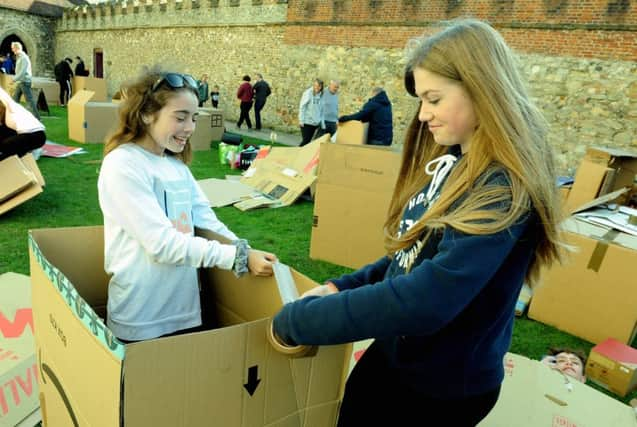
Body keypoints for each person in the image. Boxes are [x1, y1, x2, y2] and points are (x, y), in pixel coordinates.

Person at [272, 19, 562, 426]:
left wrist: (298, 322)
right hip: (402, 357)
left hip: (440, 387)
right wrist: (343, 285)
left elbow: (426, 300)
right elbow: (411, 255)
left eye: (434, 99)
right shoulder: (458, 162)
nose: (423, 114)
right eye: (421, 100)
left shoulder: (501, 190)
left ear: (482, 90)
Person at [97, 68, 277, 342]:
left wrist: (246, 250)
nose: (190, 128)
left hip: (185, 311)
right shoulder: (123, 164)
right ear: (146, 114)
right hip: (140, 317)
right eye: (180, 118)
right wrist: (237, 257)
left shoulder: (176, 166)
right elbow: (161, 244)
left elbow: (207, 222)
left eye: (193, 118)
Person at [0, 87, 46, 161]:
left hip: (36, 136)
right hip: (31, 136)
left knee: (6, 147)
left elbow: (3, 94)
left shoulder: (11, 107)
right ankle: (28, 151)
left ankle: (31, 151)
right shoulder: (9, 119)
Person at [11, 42, 40, 120]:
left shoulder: (24, 58)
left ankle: (37, 117)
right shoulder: (20, 57)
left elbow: (23, 71)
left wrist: (14, 79)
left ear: (17, 48)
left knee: (29, 100)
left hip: (25, 82)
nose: (12, 50)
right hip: (21, 82)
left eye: (13, 48)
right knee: (15, 100)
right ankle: (13, 115)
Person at [298, 78, 324, 146]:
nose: (317, 87)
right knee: (306, 141)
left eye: (319, 86)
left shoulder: (321, 95)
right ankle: (296, 153)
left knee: (308, 142)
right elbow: (302, 107)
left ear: (321, 87)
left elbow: (321, 109)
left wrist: (320, 121)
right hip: (306, 122)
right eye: (315, 85)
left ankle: (303, 155)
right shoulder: (308, 93)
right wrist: (301, 120)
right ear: (313, 85)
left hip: (315, 123)